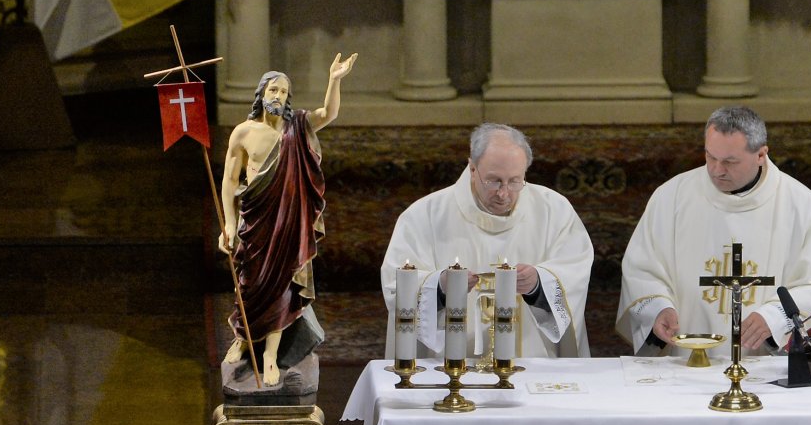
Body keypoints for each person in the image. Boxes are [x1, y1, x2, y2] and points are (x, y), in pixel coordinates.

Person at [618, 105, 811, 354]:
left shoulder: (799, 204)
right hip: (686, 361)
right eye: (710, 157)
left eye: (729, 162)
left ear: (761, 155)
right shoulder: (672, 197)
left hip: (766, 364)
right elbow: (641, 269)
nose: (716, 170)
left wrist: (774, 317)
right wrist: (659, 308)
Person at [381, 123, 595, 360]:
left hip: (533, 363)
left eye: (515, 181)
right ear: (472, 168)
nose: (504, 194)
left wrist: (538, 284)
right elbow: (395, 285)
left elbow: (575, 268)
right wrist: (439, 287)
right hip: (449, 367)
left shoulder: (554, 209)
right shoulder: (424, 215)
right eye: (494, 181)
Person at [219, 55, 357, 386]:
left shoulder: (297, 125)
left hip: (288, 222)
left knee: (282, 285)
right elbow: (229, 180)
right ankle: (243, 338)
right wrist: (228, 223)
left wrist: (334, 79)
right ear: (261, 93)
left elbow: (329, 114)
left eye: (284, 91)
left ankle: (270, 355)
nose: (279, 96)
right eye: (273, 89)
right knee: (248, 282)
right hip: (256, 218)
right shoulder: (243, 132)